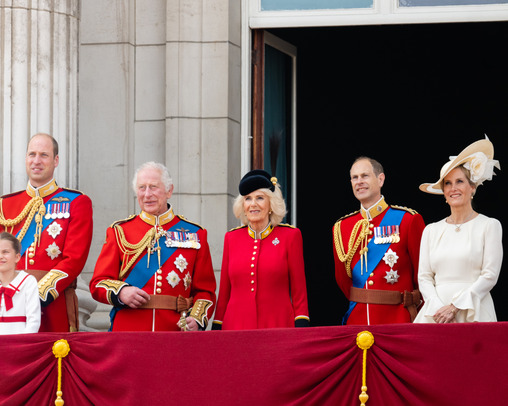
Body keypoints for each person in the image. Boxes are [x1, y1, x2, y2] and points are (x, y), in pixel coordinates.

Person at [0, 133, 93, 332]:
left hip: (53, 303)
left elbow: (75, 258)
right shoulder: (4, 205)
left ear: (56, 160)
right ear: (26, 159)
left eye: (44, 155)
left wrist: (37, 293)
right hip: (8, 303)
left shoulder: (76, 202)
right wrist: (7, 290)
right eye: (32, 154)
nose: (36, 161)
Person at [90, 162, 217, 331]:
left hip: (174, 331)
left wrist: (196, 318)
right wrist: (121, 292)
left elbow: (205, 291)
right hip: (128, 331)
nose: (147, 194)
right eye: (142, 188)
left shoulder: (195, 233)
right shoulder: (120, 231)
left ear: (169, 191)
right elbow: (98, 283)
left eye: (153, 187)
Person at [415, 137, 502, 323]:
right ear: (444, 192)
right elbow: (424, 277)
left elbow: (490, 275)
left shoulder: (490, 225)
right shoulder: (431, 230)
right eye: (448, 183)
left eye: (459, 181)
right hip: (436, 315)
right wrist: (439, 307)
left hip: (474, 311)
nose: (453, 188)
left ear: (472, 188)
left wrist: (455, 307)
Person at [332, 157, 425, 325]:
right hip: (357, 320)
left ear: (380, 179)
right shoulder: (342, 227)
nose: (359, 182)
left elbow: (423, 276)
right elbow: (343, 280)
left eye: (365, 176)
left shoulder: (407, 220)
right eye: (355, 177)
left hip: (398, 319)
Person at [212, 170, 309, 330]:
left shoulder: (290, 236)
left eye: (260, 198)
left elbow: (299, 292)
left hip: (278, 326)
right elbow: (224, 293)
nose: (253, 204)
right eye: (248, 199)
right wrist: (217, 325)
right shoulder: (231, 238)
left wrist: (301, 325)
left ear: (271, 204)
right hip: (236, 327)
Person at [0, 232, 41, 335]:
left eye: (5, 252)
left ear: (17, 257)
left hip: (21, 345)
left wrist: (24, 345)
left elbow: (34, 320)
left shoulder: (28, 281)